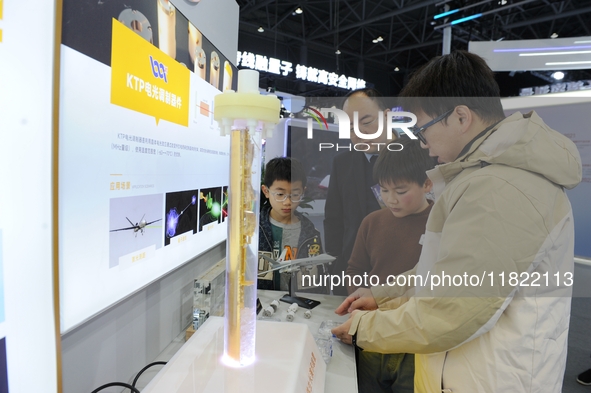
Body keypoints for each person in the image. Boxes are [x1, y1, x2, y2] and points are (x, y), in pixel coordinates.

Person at [331, 50, 582, 392]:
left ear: (461, 117)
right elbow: (443, 272)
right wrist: (384, 296)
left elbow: (451, 310)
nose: (423, 142)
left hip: (490, 379)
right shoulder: (482, 178)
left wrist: (366, 328)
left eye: (425, 129)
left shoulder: (501, 188)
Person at [347, 137, 435, 393]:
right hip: (371, 337)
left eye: (400, 191)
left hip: (415, 342)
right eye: (384, 190)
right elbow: (355, 270)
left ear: (427, 183)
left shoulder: (441, 223)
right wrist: (356, 299)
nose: (390, 199)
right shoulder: (372, 222)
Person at [324, 88, 397, 295]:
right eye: (350, 127)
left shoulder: (417, 157)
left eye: (366, 122)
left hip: (401, 275)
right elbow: (334, 219)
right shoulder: (342, 163)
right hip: (351, 274)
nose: (359, 133)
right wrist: (335, 264)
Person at [257, 157, 325, 293]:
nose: (287, 201)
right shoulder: (254, 230)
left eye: (295, 194)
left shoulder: (311, 233)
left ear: (303, 192)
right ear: (266, 191)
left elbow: (319, 281)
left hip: (299, 305)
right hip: (262, 305)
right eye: (280, 194)